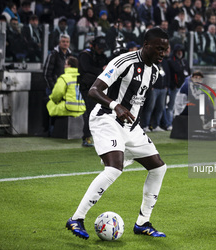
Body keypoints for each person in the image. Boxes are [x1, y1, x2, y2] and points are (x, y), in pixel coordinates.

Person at [66, 27, 169, 239]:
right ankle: (76, 218)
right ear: (146, 45)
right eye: (159, 48)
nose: (163, 53)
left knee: (159, 168)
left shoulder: (156, 72)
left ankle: (143, 222)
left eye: (165, 49)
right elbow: (94, 90)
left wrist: (134, 121)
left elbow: (137, 101)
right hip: (107, 118)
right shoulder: (124, 62)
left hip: (130, 127)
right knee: (114, 168)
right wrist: (116, 106)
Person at [78, 36, 108, 147]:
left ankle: (99, 137)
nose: (101, 50)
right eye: (99, 47)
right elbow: (86, 68)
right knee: (91, 112)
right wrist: (101, 70)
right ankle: (86, 137)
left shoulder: (103, 56)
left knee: (102, 113)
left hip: (100, 88)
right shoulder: (85, 55)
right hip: (87, 88)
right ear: (94, 46)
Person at [141, 44, 171, 132]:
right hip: (154, 89)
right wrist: (151, 86)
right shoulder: (152, 61)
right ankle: (145, 125)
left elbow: (168, 74)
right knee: (150, 107)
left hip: (163, 89)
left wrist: (166, 86)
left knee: (160, 107)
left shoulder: (164, 62)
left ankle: (155, 125)